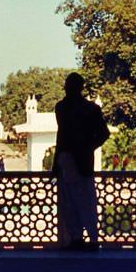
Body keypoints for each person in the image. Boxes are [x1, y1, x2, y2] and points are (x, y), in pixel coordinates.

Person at [53, 72, 109, 251]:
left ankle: (79, 239)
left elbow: (61, 136)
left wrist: (84, 148)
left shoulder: (65, 108)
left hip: (71, 160)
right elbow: (62, 135)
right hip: (75, 161)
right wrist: (88, 147)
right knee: (81, 202)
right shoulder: (88, 109)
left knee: (76, 202)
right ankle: (86, 239)